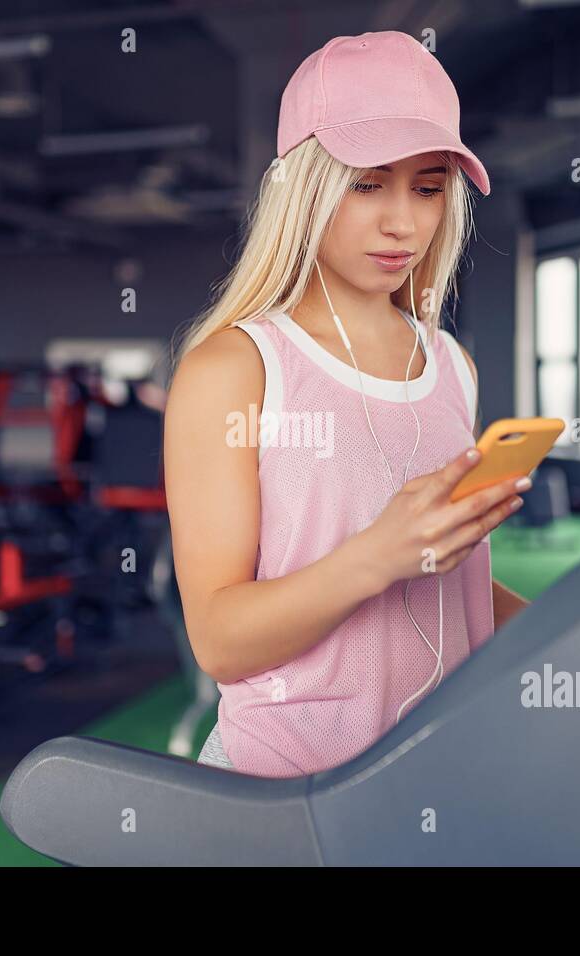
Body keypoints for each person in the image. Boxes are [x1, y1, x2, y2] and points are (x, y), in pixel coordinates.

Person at [164, 30, 528, 778]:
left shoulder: (451, 366)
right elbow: (219, 639)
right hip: (280, 794)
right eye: (367, 183)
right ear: (304, 186)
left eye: (428, 187)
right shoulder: (234, 368)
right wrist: (376, 557)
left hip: (429, 782)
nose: (403, 222)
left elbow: (449, 583)